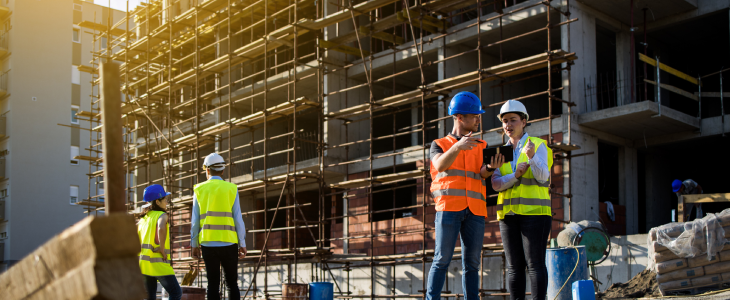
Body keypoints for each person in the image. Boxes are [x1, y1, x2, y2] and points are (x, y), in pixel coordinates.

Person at [427, 91, 503, 300]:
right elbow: (440, 164)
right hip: (449, 209)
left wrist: (489, 167)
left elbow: (482, 173)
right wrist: (457, 146)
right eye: (474, 116)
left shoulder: (482, 145)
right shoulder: (439, 144)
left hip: (475, 210)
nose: (478, 120)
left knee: (472, 263)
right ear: (459, 117)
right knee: (441, 259)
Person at [491, 100, 553, 300]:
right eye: (505, 121)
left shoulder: (538, 144)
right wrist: (515, 176)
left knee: (535, 265)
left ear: (524, 121)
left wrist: (532, 156)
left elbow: (543, 176)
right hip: (508, 216)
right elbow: (496, 184)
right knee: (514, 268)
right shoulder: (500, 152)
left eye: (513, 120)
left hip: (535, 215)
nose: (508, 125)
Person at [191, 153, 247, 300]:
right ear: (222, 171)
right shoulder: (231, 188)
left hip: (208, 244)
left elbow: (195, 221)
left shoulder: (199, 189)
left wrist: (194, 244)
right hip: (229, 243)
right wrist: (242, 242)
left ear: (207, 170)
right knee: (232, 284)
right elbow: (238, 219)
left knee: (213, 284)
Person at [137, 184, 182, 300]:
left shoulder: (143, 219)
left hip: (144, 264)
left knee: (150, 296)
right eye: (165, 199)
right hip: (158, 262)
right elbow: (161, 227)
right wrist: (161, 248)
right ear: (157, 201)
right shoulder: (162, 215)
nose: (166, 202)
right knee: (176, 293)